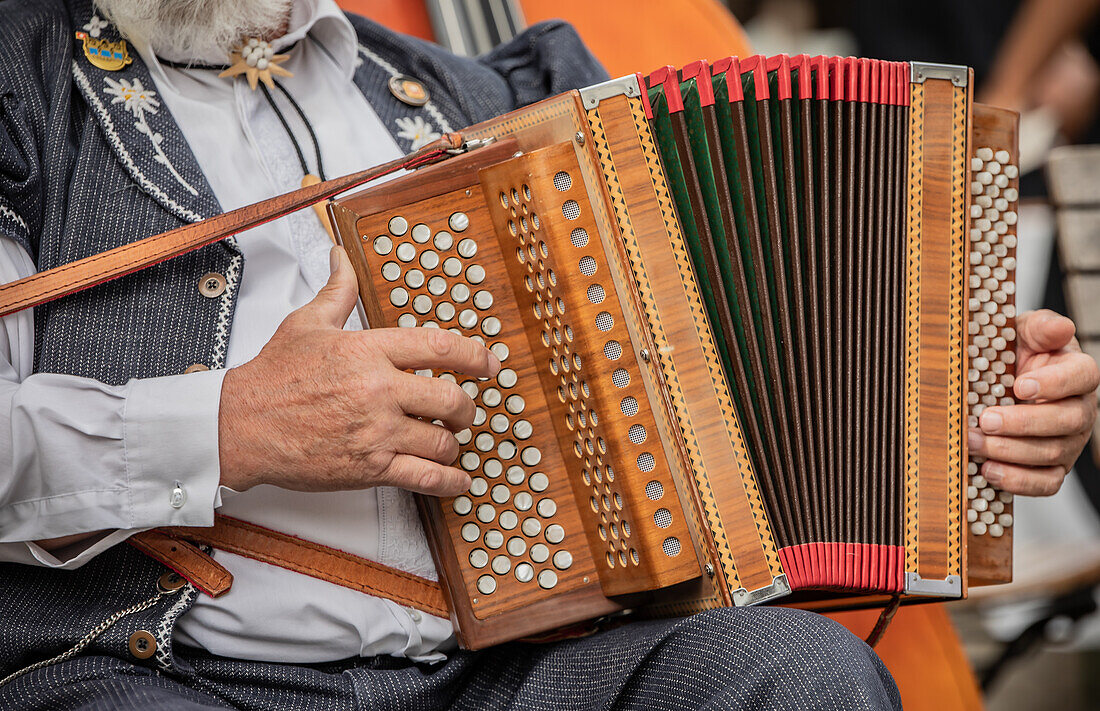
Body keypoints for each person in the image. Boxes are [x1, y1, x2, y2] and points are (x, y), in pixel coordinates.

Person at [0, 1, 1095, 709]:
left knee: (799, 680)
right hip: (159, 671)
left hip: (502, 670)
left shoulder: (482, 97)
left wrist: (957, 408)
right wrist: (229, 425)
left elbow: (711, 371)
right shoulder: (22, 83)